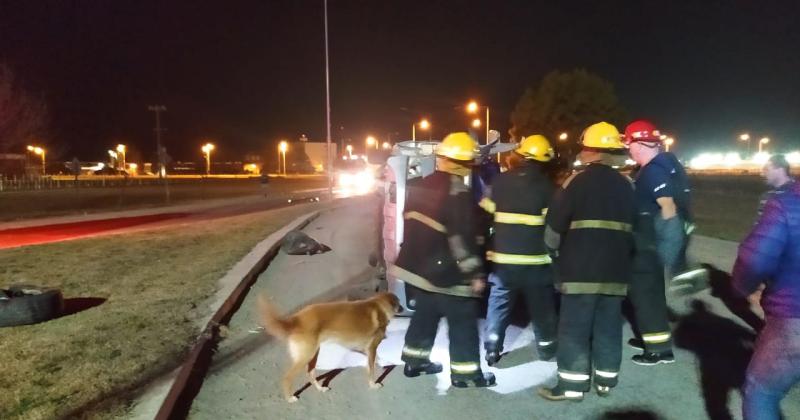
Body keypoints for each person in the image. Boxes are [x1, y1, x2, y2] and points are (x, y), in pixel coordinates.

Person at [389, 132, 496, 388]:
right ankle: (466, 375)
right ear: (464, 163)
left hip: (419, 269)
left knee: (425, 315)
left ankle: (414, 362)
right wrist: (474, 274)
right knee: (463, 322)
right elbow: (461, 237)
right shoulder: (457, 191)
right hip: (448, 271)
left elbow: (418, 220)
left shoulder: (420, 184)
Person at [538, 122, 636, 401]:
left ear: (592, 151)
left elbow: (554, 228)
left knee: (574, 330)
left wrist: (554, 254)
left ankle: (572, 385)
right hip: (615, 272)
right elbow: (637, 229)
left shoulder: (574, 183)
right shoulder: (628, 185)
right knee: (608, 326)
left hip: (579, 272)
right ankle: (605, 381)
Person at [480, 135, 559, 366]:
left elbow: (485, 213)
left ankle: (492, 349)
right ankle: (546, 350)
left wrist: (488, 246)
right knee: (543, 309)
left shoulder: (500, 182)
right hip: (537, 263)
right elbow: (554, 228)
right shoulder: (549, 189)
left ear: (522, 154)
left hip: (504, 262)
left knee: (498, 305)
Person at [624, 119, 692, 365]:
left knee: (645, 298)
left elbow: (668, 209)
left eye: (629, 143)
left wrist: (664, 253)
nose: (628, 149)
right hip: (651, 244)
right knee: (650, 296)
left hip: (648, 246)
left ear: (640, 144)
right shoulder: (667, 165)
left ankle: (658, 352)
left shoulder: (653, 171)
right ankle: (652, 340)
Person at [732, 178, 800, 419]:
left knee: (761, 392)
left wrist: (742, 288)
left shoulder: (788, 204)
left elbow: (754, 259)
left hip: (793, 318)